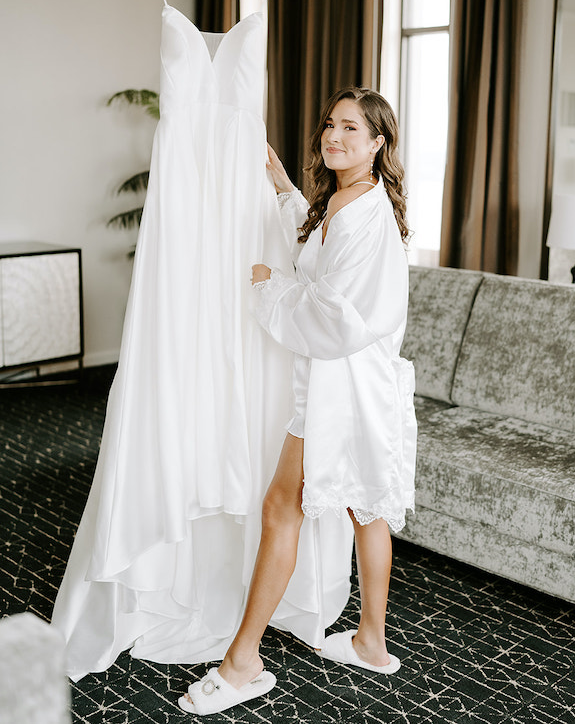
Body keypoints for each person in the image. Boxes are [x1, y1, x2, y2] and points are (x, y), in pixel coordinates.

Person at [179, 86, 417, 716]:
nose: (333, 136)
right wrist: (284, 185)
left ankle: (242, 663)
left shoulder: (368, 215)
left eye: (349, 128)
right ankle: (370, 641)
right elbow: (312, 251)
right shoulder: (341, 201)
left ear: (378, 143)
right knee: (365, 509)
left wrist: (268, 289)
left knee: (285, 506)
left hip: (346, 386)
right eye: (329, 125)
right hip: (342, 382)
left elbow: (337, 315)